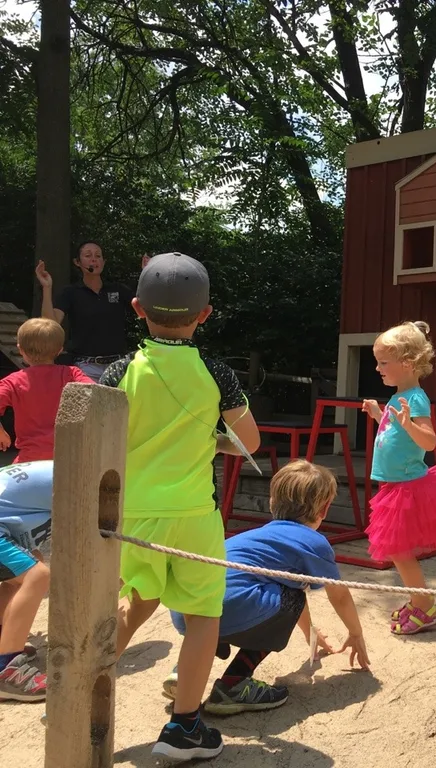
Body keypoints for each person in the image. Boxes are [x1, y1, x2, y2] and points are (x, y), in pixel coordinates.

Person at [99, 251, 260, 761]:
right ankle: (185, 725)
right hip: (193, 515)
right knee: (202, 616)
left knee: (135, 601)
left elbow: (96, 438)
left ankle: (76, 693)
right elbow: (250, 441)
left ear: (137, 308)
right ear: (205, 314)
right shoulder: (217, 372)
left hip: (133, 515)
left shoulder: (119, 371)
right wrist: (214, 441)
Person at [162, 460, 370, 715]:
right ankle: (233, 684)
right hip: (226, 609)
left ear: (272, 502)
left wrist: (310, 633)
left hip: (186, 614)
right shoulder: (314, 542)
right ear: (325, 509)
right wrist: (356, 633)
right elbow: (338, 596)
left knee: (248, 597)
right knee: (286, 598)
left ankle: (183, 672)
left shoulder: (257, 536)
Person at [360, 321, 436, 635]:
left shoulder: (415, 398)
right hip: (394, 485)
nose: (377, 368)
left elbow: (428, 441)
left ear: (407, 363)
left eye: (383, 362)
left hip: (406, 487)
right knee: (396, 550)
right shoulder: (399, 397)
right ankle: (419, 600)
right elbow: (395, 430)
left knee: (399, 551)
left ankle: (424, 605)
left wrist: (408, 423)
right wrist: (379, 414)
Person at [35, 241, 149, 382]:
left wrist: (147, 276)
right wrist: (47, 287)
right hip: (85, 367)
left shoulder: (118, 290)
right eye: (88, 256)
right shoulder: (70, 292)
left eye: (98, 256)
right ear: (77, 262)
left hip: (118, 366)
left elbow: (146, 312)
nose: (94, 260)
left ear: (104, 262)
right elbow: (50, 324)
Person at [0, 318, 93, 462]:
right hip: (69, 457)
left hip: (30, 459)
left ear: (20, 349)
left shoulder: (12, 381)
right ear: (60, 350)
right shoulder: (72, 374)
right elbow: (96, 393)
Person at [0, 460, 52, 702]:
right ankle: (7, 670)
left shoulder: (59, 468)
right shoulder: (84, 477)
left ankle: (5, 641)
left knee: (30, 563)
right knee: (36, 575)